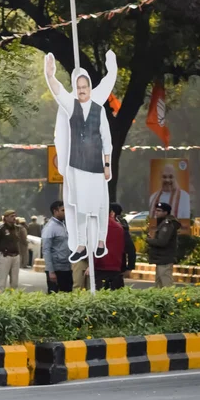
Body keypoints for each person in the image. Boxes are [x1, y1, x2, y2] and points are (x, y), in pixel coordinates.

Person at [44, 50, 116, 264]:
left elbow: (106, 137)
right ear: (75, 89)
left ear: (90, 88)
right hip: (77, 165)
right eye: (79, 87)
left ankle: (101, 242)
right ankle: (82, 245)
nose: (82, 90)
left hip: (96, 166)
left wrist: (107, 164)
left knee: (100, 206)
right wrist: (50, 75)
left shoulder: (98, 109)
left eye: (85, 87)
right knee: (82, 207)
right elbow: (58, 91)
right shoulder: (71, 106)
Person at [87, 206, 125, 290]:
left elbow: (97, 248)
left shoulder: (98, 227)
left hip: (101, 267)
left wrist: (91, 265)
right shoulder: (119, 227)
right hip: (116, 266)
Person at [147, 202, 180, 288]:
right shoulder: (162, 223)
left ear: (166, 212)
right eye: (156, 210)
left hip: (165, 258)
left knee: (166, 285)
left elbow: (162, 242)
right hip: (161, 259)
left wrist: (149, 240)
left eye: (159, 211)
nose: (156, 212)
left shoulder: (167, 224)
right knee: (159, 285)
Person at [41, 201, 73, 293]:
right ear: (55, 211)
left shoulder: (64, 224)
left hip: (66, 267)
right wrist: (51, 271)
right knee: (54, 296)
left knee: (67, 295)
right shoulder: (50, 227)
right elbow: (46, 250)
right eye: (63, 210)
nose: (65, 212)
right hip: (56, 269)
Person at [110, 203, 137, 288]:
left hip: (116, 266)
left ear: (112, 213)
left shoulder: (119, 229)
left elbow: (131, 249)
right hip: (111, 265)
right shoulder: (121, 226)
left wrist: (130, 267)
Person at [0, 210, 21, 291]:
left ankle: (13, 299)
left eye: (14, 216)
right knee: (2, 281)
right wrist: (0, 253)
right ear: (6, 218)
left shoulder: (16, 228)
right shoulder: (1, 229)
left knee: (15, 282)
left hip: (15, 256)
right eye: (11, 216)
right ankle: (1, 299)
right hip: (5, 256)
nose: (14, 218)